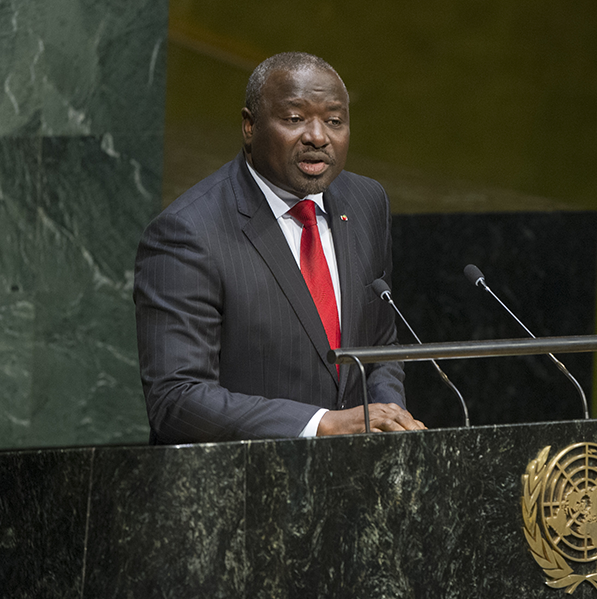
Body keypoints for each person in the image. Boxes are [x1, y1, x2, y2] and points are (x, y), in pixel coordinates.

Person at [134, 52, 425, 443]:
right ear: (249, 126)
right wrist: (321, 425)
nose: (318, 137)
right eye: (294, 119)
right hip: (246, 488)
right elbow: (177, 401)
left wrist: (387, 420)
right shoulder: (188, 233)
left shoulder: (366, 202)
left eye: (334, 121)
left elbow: (379, 347)